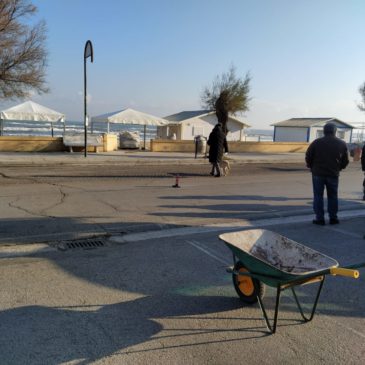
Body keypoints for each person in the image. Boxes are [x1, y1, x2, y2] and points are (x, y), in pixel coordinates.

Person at [305, 122, 349, 225]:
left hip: (318, 173)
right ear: (335, 131)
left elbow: (308, 156)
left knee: (318, 196)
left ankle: (320, 218)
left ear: (324, 131)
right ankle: (333, 218)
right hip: (333, 173)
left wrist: (311, 166)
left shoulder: (316, 142)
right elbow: (345, 160)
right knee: (333, 196)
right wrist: (339, 168)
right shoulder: (341, 143)